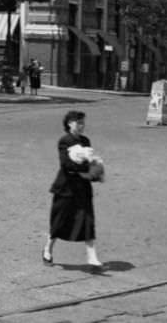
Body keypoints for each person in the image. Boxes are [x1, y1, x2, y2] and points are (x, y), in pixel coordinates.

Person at [43, 110, 103, 268]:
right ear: (70, 123)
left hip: (82, 187)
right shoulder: (64, 141)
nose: (82, 126)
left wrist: (95, 170)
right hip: (66, 187)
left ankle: (92, 257)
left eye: (83, 123)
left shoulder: (85, 140)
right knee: (59, 221)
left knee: (87, 221)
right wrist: (84, 166)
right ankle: (48, 249)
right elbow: (66, 164)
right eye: (79, 123)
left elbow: (88, 162)